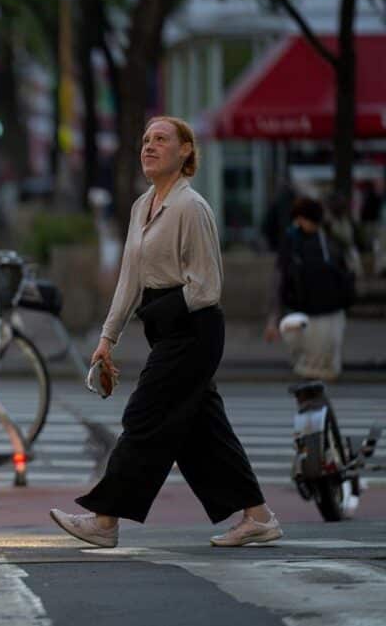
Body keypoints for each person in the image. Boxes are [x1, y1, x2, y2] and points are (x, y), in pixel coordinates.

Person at [49, 116, 283, 548]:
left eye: (161, 140)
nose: (149, 147)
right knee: (200, 431)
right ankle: (259, 516)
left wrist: (163, 312)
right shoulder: (143, 206)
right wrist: (107, 338)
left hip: (194, 329)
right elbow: (128, 279)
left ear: (186, 152)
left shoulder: (191, 208)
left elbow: (208, 286)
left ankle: (105, 521)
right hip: (167, 326)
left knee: (144, 416)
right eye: (145, 140)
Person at [268, 197, 354, 381]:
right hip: (328, 310)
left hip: (307, 309)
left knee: (309, 362)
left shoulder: (294, 240)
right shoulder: (329, 240)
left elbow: (280, 279)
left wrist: (274, 319)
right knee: (324, 363)